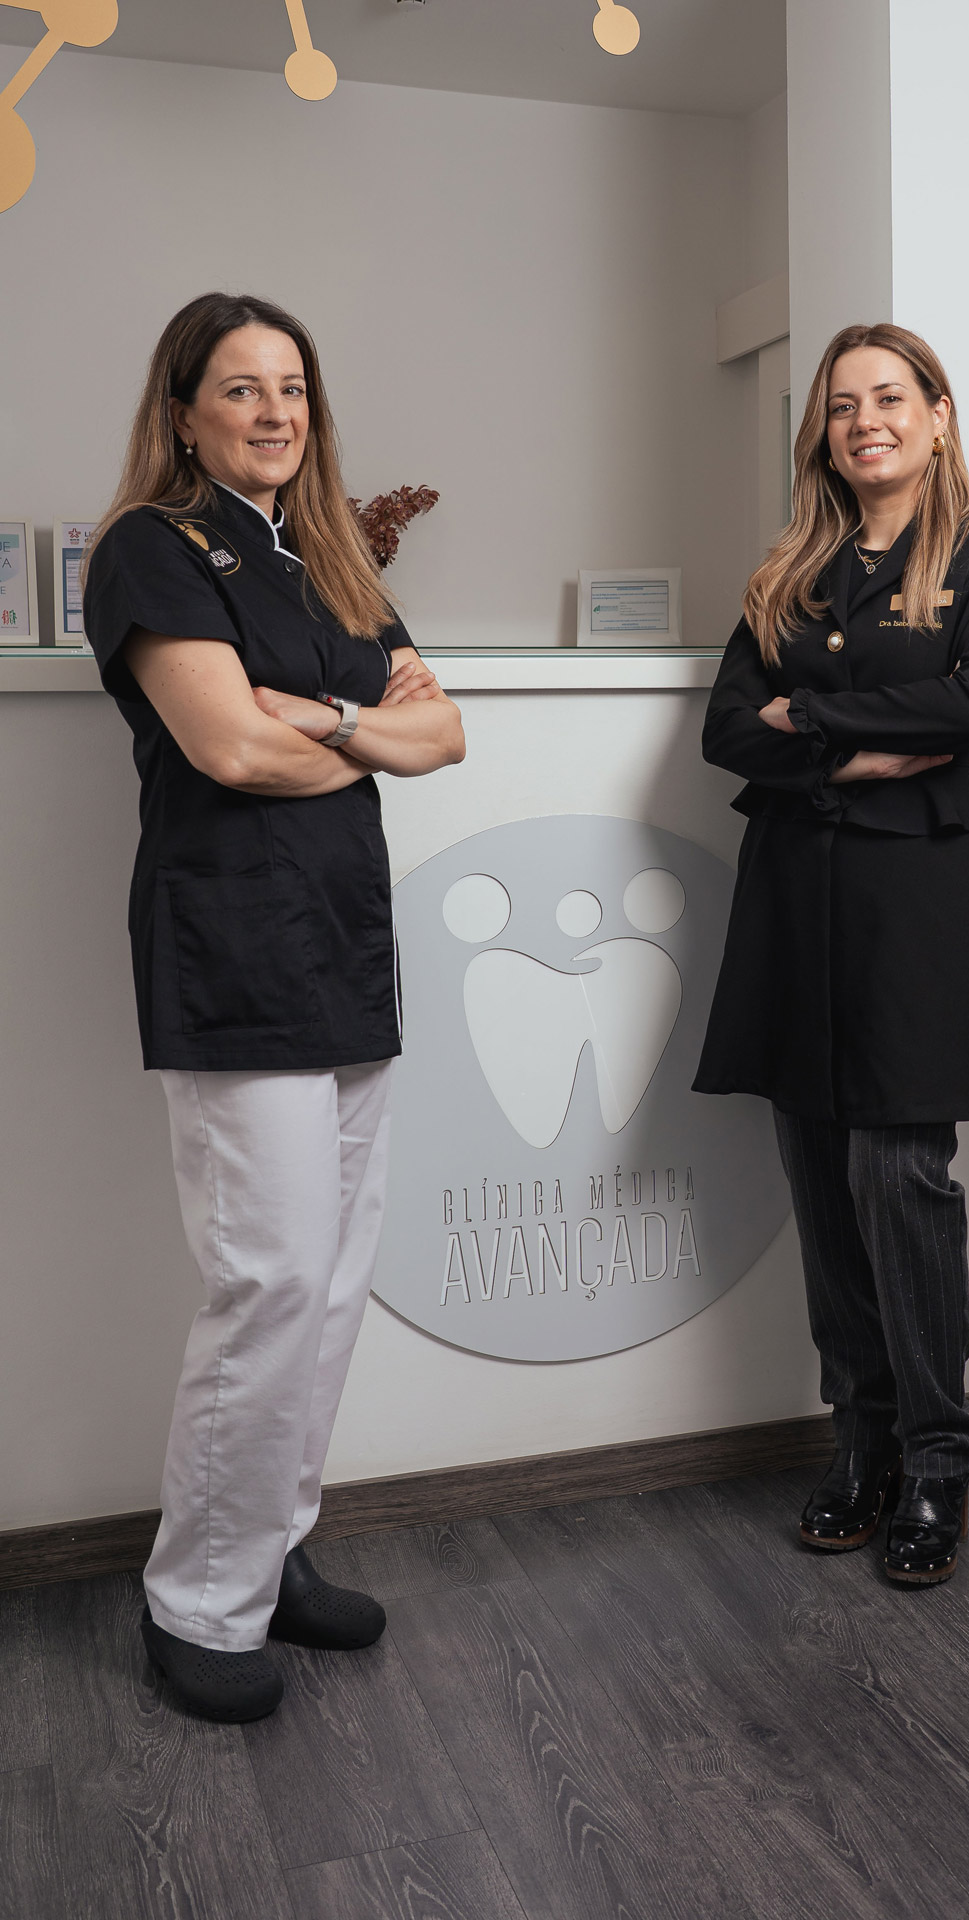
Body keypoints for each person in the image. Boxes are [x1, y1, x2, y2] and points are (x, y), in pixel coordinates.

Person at [83, 292, 465, 1720]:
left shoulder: (333, 556)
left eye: (291, 387)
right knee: (272, 1283)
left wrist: (330, 721)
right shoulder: (153, 549)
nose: (273, 412)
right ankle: (198, 1602)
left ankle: (270, 1548)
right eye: (240, 388)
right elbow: (230, 750)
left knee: (336, 1280)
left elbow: (447, 730)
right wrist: (360, 733)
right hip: (233, 951)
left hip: (344, 948)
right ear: (185, 413)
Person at [695, 322, 969, 1587]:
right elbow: (730, 731)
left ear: (937, 415)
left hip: (918, 898)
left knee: (900, 1174)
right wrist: (853, 749)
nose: (866, 422)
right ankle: (863, 1441)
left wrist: (810, 715)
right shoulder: (787, 567)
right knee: (819, 1173)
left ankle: (939, 1457)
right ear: (822, 433)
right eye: (843, 406)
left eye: (890, 398)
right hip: (796, 895)